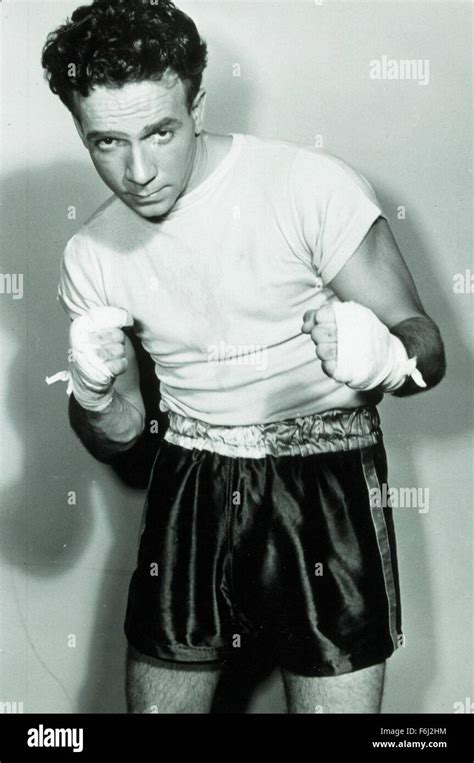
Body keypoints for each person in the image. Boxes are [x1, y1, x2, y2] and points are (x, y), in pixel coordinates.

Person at [42, 0, 446, 714]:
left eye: (160, 131)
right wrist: (95, 394)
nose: (138, 171)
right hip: (191, 480)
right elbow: (122, 437)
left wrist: (384, 355)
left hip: (324, 479)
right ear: (80, 127)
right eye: (107, 142)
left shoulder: (308, 187)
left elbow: (427, 345)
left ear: (198, 101)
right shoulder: (90, 254)